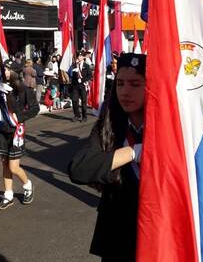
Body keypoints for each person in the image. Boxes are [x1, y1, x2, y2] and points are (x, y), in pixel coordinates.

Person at [69, 53, 146, 261]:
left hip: (157, 233)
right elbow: (79, 169)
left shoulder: (167, 128)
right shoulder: (109, 126)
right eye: (120, 83)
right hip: (117, 237)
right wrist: (133, 152)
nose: (125, 91)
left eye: (135, 84)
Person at [0, 60, 39, 210]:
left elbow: (35, 108)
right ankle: (8, 195)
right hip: (2, 129)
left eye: (6, 69)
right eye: (3, 69)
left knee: (13, 167)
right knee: (5, 164)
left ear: (13, 72)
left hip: (16, 131)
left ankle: (28, 185)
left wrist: (19, 118)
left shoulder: (24, 89)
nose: (3, 72)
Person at [71, 51, 92, 122]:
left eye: (80, 56)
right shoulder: (74, 65)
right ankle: (77, 115)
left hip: (83, 85)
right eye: (78, 56)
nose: (79, 57)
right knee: (74, 100)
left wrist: (82, 80)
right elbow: (71, 74)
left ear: (83, 57)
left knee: (83, 102)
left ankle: (84, 116)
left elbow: (90, 75)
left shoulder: (86, 66)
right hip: (75, 86)